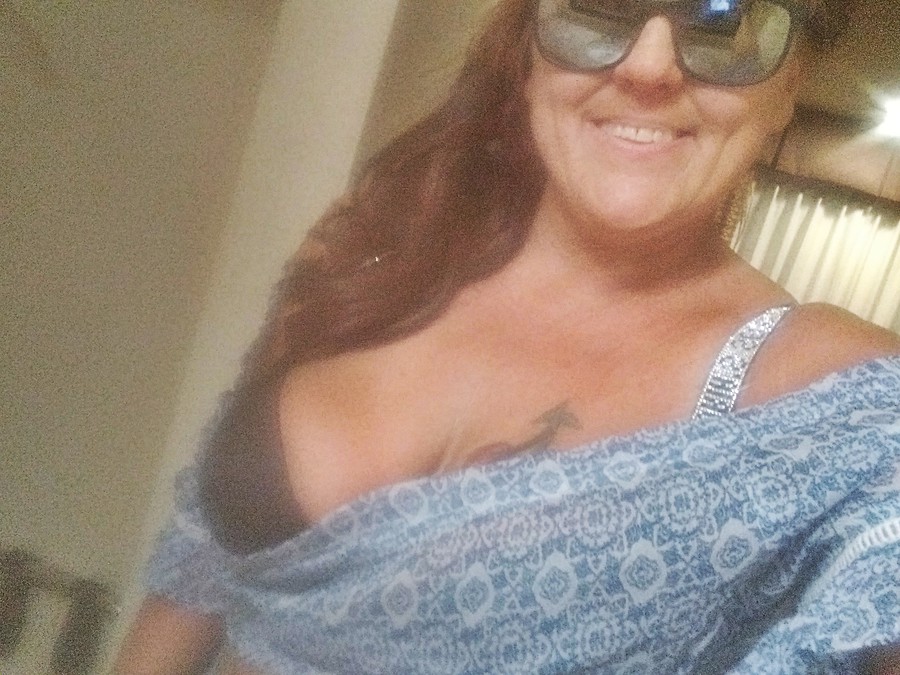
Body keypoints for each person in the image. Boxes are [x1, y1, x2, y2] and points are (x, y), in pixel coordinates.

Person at [116, 0, 900, 672]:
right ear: (529, 47)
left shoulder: (852, 408)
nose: (649, 66)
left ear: (790, 81)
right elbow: (196, 562)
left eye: (723, 19)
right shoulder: (367, 254)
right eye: (599, 7)